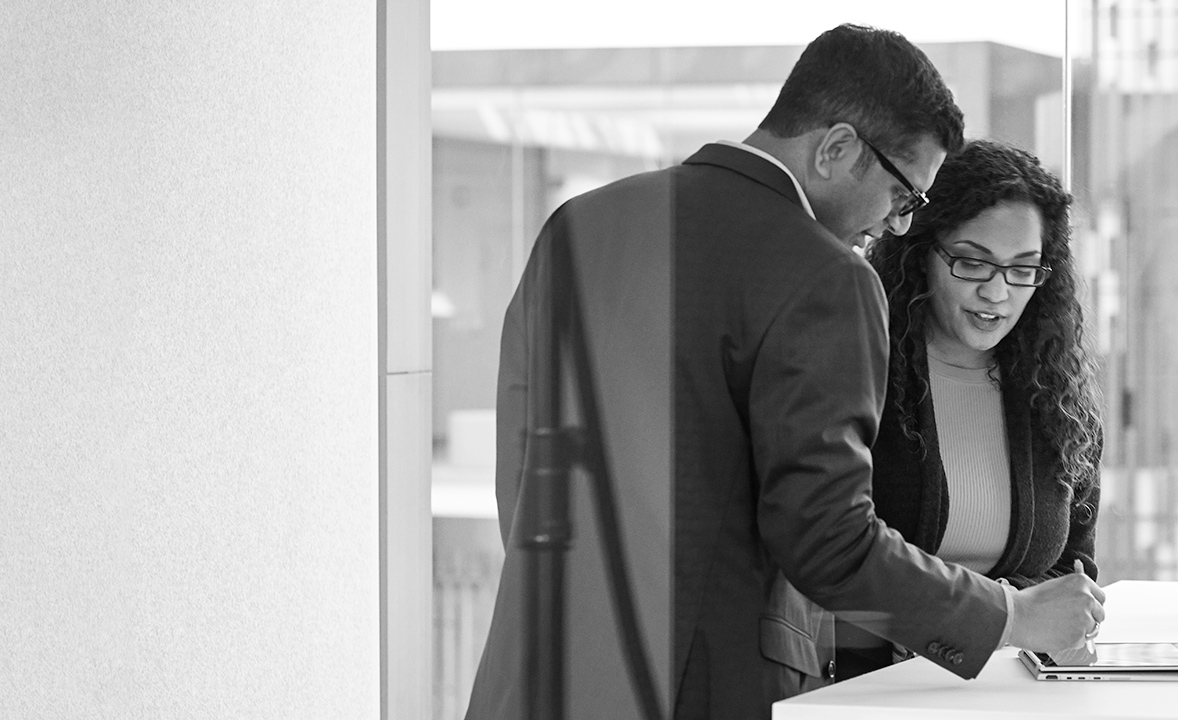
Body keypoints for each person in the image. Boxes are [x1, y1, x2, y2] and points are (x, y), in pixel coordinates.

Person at [465, 25, 1104, 720]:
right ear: (836, 149)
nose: (894, 225)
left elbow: (523, 468)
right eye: (904, 197)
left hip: (536, 672)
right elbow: (829, 544)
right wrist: (1009, 615)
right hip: (706, 689)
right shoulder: (826, 278)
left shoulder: (577, 225)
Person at [837, 139, 1105, 679]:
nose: (997, 292)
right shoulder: (859, 372)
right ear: (921, 253)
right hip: (868, 693)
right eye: (970, 262)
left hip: (1009, 696)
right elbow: (835, 554)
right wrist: (1007, 615)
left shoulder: (1058, 399)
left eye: (1023, 269)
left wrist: (1010, 616)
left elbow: (1074, 576)